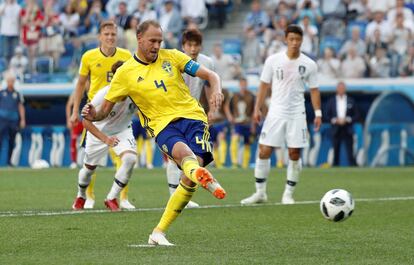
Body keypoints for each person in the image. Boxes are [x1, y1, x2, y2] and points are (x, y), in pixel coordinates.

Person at [81, 20, 225, 246]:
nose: (157, 46)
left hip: (194, 118)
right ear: (139, 39)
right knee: (184, 155)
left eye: (160, 41)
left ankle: (158, 231)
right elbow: (103, 113)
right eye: (152, 41)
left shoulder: (174, 56)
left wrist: (216, 90)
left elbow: (211, 76)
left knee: (189, 174)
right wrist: (92, 114)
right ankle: (201, 176)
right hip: (162, 126)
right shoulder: (125, 73)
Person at [241, 25, 321, 205]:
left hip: (297, 113)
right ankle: (260, 193)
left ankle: (288, 194)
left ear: (302, 40)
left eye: (298, 39)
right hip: (276, 112)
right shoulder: (273, 60)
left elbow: (314, 90)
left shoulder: (309, 64)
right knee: (264, 150)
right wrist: (257, 109)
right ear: (285, 39)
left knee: (294, 153)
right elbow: (263, 85)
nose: (294, 43)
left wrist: (318, 113)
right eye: (291, 39)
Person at [69, 20, 133, 209]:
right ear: (100, 37)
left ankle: (122, 198)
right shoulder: (89, 56)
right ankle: (87, 196)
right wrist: (75, 111)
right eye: (107, 34)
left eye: (113, 34)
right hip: (96, 112)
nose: (110, 37)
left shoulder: (126, 56)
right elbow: (80, 84)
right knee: (90, 164)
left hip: (119, 112)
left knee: (125, 158)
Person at [165, 28, 215, 208]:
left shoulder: (207, 62)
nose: (193, 49)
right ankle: (174, 195)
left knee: (195, 155)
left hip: (194, 114)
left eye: (196, 45)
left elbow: (209, 86)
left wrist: (212, 109)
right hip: (173, 113)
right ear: (183, 46)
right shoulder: (173, 61)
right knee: (174, 156)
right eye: (189, 45)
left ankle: (181, 194)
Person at [326, 81, 359, 166]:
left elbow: (357, 115)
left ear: (345, 89)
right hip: (336, 128)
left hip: (347, 128)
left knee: (350, 150)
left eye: (342, 88)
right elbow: (327, 115)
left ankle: (352, 167)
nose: (341, 90)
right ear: (337, 89)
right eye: (339, 88)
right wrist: (335, 120)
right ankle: (335, 167)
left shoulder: (351, 100)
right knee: (336, 150)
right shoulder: (331, 101)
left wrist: (347, 119)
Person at [0, 71, 26, 166]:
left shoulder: (17, 94)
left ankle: (9, 162)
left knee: (12, 141)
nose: (11, 82)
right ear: (6, 81)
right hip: (2, 120)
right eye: (9, 81)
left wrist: (22, 119)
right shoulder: (2, 93)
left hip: (13, 120)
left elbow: (20, 106)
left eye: (12, 81)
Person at [229, 77, 255, 169]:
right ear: (239, 85)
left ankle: (245, 164)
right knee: (235, 139)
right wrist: (231, 117)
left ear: (246, 85)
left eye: (245, 84)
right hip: (237, 123)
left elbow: (253, 111)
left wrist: (253, 124)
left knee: (247, 143)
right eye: (242, 84)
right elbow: (230, 108)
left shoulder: (251, 96)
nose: (243, 86)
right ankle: (235, 162)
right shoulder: (234, 96)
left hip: (247, 123)